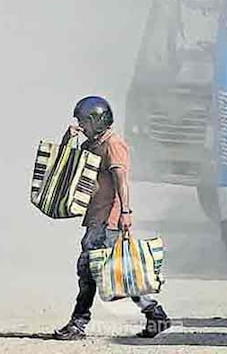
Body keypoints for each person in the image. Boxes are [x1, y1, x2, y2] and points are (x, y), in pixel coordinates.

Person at [53, 95, 172, 341]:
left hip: (108, 220)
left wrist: (125, 212)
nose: (81, 125)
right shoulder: (91, 145)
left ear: (96, 120)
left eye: (83, 121)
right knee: (118, 271)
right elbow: (68, 167)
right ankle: (156, 315)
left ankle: (78, 323)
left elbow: (121, 179)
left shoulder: (112, 144)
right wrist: (68, 140)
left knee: (89, 270)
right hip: (96, 218)